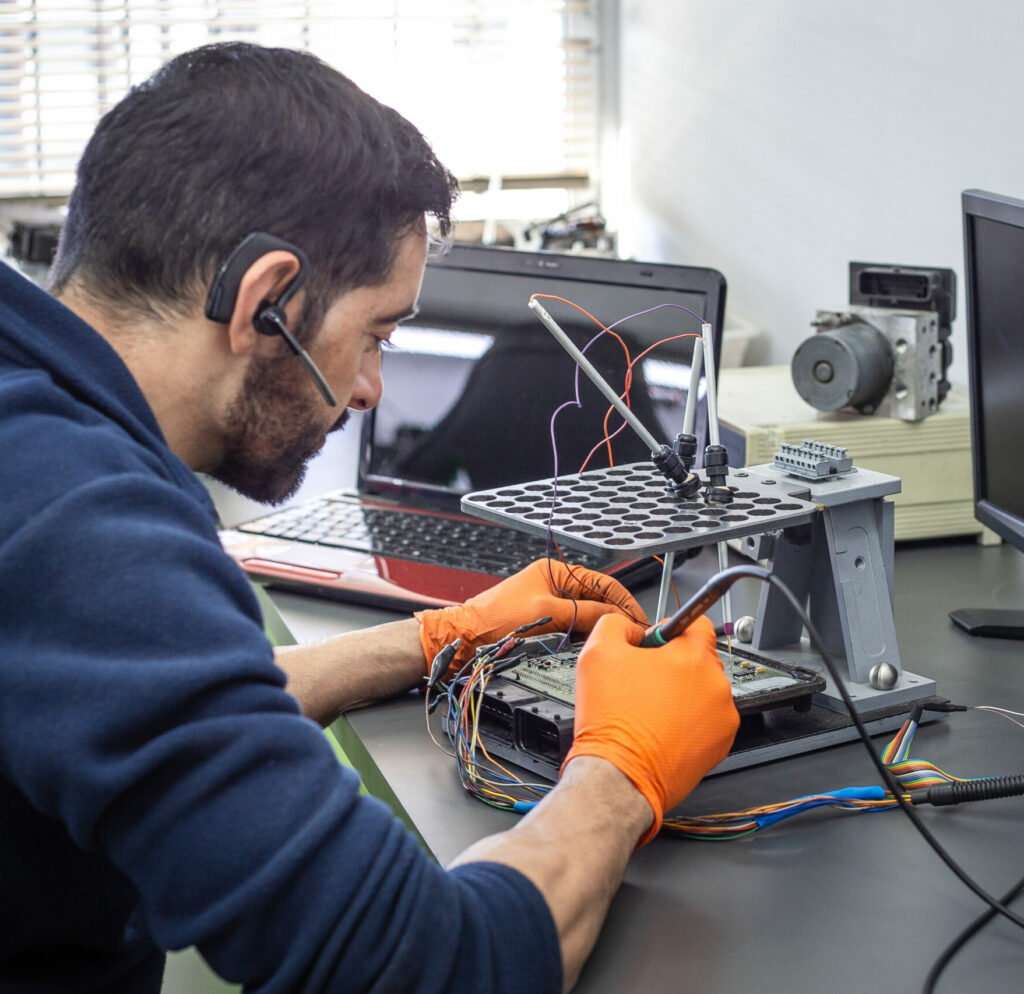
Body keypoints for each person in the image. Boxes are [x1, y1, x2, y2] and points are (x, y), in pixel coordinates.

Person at [0, 42, 739, 994]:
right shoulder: (84, 523)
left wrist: (436, 637)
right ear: (264, 300)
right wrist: (621, 769)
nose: (368, 389)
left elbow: (132, 691)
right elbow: (429, 965)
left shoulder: (33, 428)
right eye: (378, 334)